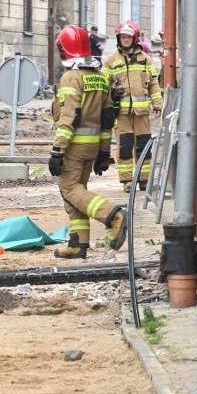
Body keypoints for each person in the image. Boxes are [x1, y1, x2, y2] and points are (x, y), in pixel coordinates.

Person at [49, 24, 126, 259]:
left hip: (72, 146)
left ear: (65, 50)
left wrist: (57, 151)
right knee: (77, 191)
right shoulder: (100, 78)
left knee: (70, 189)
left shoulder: (71, 78)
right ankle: (78, 243)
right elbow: (107, 120)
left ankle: (113, 215)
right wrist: (103, 153)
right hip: (92, 147)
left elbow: (67, 117)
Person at [101, 20, 163, 192]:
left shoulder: (146, 60)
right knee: (125, 147)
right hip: (121, 113)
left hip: (142, 113)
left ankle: (143, 181)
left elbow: (153, 85)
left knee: (144, 147)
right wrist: (105, 108)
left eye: (128, 37)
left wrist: (157, 104)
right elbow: (103, 87)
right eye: (123, 37)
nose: (125, 40)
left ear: (134, 38)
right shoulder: (111, 61)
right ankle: (127, 181)